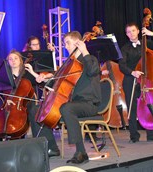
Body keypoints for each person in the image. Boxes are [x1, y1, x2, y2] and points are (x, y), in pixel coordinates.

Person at [0, 50, 60, 157]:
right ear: (7, 62)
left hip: (26, 105)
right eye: (10, 59)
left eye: (16, 58)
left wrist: (33, 72)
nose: (13, 61)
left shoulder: (27, 74)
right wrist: (6, 99)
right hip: (8, 105)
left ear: (21, 60)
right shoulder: (4, 77)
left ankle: (49, 147)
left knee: (35, 110)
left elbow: (50, 84)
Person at [119, 22, 153, 143]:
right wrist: (132, 72)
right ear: (126, 34)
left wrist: (152, 34)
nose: (131, 33)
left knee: (150, 106)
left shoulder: (146, 44)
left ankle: (152, 134)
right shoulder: (124, 48)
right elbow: (122, 66)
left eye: (133, 30)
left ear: (138, 31)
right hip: (131, 80)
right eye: (128, 32)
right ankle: (134, 136)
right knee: (132, 108)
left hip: (147, 80)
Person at [59, 31, 101, 164]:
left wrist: (85, 51)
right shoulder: (71, 64)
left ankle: (80, 151)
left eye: (67, 43)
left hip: (89, 104)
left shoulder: (90, 59)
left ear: (77, 43)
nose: (65, 46)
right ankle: (51, 148)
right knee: (44, 112)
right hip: (76, 104)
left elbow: (93, 71)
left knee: (67, 109)